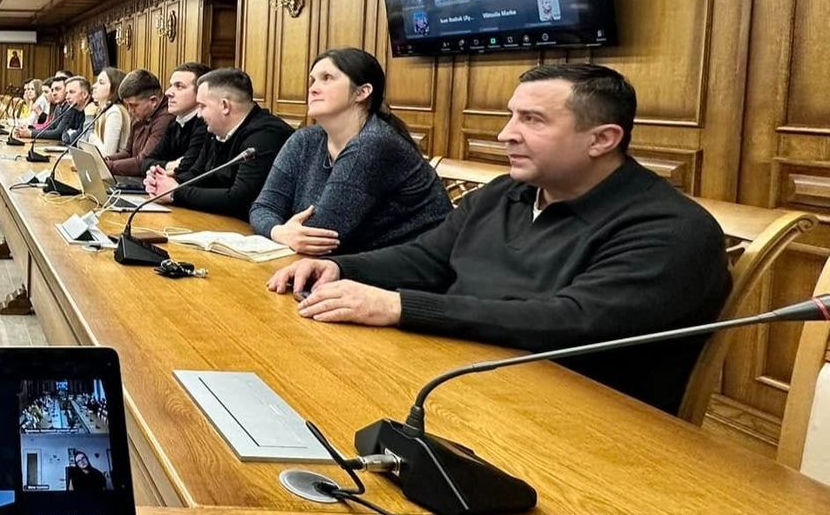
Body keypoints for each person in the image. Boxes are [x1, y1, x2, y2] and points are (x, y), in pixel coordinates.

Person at [271, 65, 729, 414]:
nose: (505, 134)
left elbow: (570, 320)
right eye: (512, 116)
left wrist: (400, 307)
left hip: (579, 423)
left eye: (532, 120)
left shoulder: (671, 230)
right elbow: (427, 259)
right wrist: (345, 268)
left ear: (602, 139)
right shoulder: (505, 194)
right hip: (461, 384)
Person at [249, 48, 450, 256]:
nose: (313, 89)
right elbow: (262, 207)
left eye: (326, 78)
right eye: (312, 81)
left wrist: (287, 233)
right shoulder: (304, 140)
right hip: (345, 266)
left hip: (410, 273)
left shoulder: (374, 144)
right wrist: (279, 232)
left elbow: (322, 235)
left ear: (362, 92)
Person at [144, 67, 293, 220]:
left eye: (202, 106)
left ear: (225, 106)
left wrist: (176, 192)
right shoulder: (214, 130)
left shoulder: (266, 135)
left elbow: (239, 198)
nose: (199, 114)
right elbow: (198, 174)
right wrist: (164, 183)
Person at [136, 63, 212, 182]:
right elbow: (145, 163)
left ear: (200, 92)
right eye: (171, 85)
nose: (168, 92)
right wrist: (171, 165)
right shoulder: (174, 123)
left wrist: (167, 167)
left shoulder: (205, 124)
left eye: (179, 86)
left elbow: (188, 168)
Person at [103, 69, 175, 178]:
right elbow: (128, 152)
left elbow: (142, 162)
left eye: (134, 105)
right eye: (127, 105)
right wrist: (105, 160)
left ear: (153, 101)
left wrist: (105, 166)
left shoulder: (166, 118)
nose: (130, 111)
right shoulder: (141, 115)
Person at [16, 77, 84, 142]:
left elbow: (58, 133)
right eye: (52, 90)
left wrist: (31, 133)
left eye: (58, 89)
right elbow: (50, 127)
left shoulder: (70, 108)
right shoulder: (58, 106)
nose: (53, 93)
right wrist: (28, 130)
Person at [87, 67, 130, 155]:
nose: (94, 86)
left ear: (115, 88)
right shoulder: (103, 110)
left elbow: (108, 154)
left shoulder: (114, 111)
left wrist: (92, 138)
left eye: (101, 82)